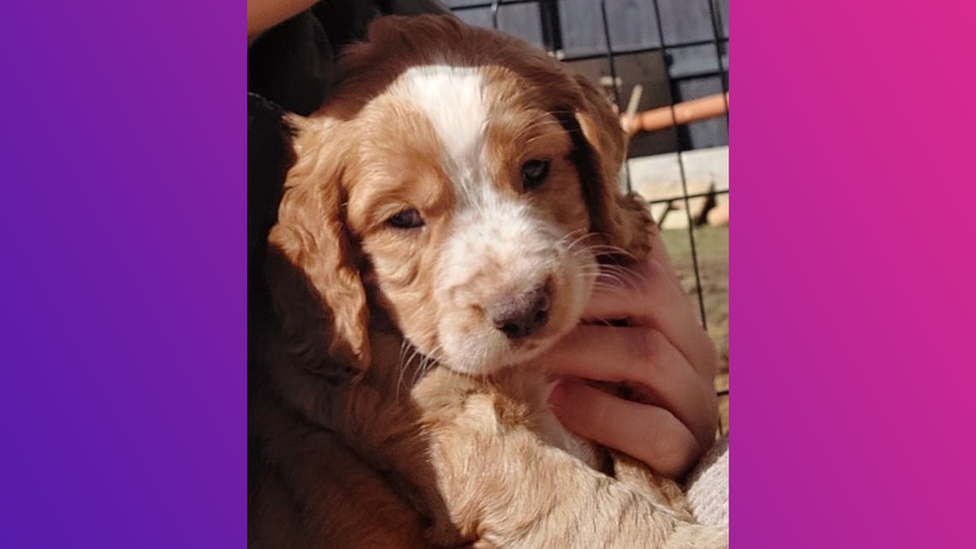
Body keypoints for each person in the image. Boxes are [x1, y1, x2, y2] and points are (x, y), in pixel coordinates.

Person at [248, 0, 719, 480]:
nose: (516, 294)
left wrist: (696, 459)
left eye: (534, 171)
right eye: (406, 218)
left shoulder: (409, 23)